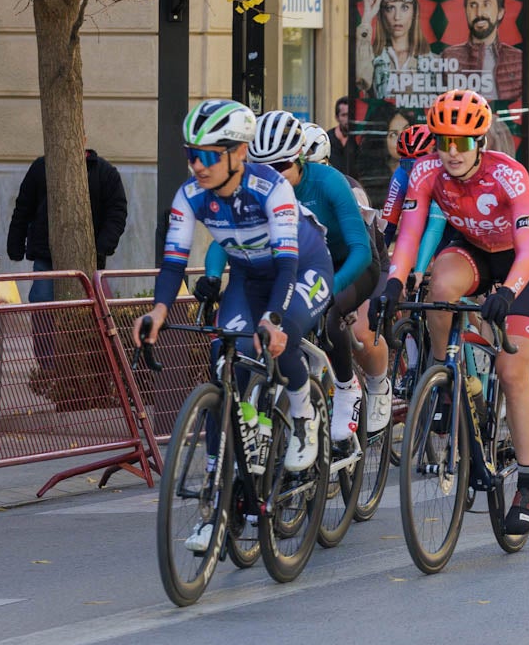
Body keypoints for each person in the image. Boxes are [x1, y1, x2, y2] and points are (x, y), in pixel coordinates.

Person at [137, 100, 323, 553]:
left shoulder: (271, 188)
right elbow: (174, 261)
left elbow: (286, 266)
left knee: (282, 336)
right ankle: (215, 509)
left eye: (210, 155)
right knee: (227, 361)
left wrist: (275, 319)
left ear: (239, 153)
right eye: (192, 155)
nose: (198, 166)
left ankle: (302, 414)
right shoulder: (190, 195)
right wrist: (159, 310)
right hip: (246, 277)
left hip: (299, 269)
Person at [376, 88, 529, 537]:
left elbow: (528, 254)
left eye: (462, 142)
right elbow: (410, 235)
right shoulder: (427, 171)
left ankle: (528, 484)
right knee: (438, 285)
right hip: (471, 249)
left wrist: (508, 292)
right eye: (443, 140)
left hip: (520, 261)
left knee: (512, 373)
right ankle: (445, 373)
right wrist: (393, 282)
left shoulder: (509, 175)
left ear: (481, 142)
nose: (451, 152)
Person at [223, 112, 386, 439]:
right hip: (298, 267)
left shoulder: (329, 182)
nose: (274, 177)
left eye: (281, 167)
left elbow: (361, 249)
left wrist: (330, 289)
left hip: (349, 265)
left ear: (299, 159)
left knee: (332, 315)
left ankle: (345, 387)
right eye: (264, 169)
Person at [6, 143, 130, 299]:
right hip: (46, 254)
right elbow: (23, 209)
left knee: (86, 309)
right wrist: (15, 245)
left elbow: (116, 212)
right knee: (43, 306)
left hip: (88, 256)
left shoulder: (105, 173)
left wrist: (102, 247)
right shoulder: (40, 167)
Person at [440, 0, 522, 103]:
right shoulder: (448, 57)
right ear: (466, 11)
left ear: (500, 12)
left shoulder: (518, 59)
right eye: (473, 5)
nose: (479, 13)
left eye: (486, 4)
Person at [355, 0, 431, 99]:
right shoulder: (373, 60)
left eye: (404, 8)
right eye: (390, 8)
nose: (397, 17)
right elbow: (362, 81)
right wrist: (367, 19)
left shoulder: (432, 61)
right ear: (382, 14)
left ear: (414, 12)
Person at [328, 97, 360, 178]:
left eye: (350, 115)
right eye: (344, 115)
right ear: (337, 118)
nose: (347, 119)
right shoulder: (327, 139)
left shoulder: (359, 139)